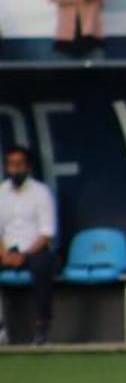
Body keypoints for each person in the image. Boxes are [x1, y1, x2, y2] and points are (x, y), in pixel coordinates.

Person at [0, 146, 58, 346]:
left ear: (28, 167)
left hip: (35, 250)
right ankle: (1, 329)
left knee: (42, 267)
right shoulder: (1, 192)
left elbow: (47, 232)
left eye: (19, 165)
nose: (15, 170)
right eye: (11, 165)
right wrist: (4, 253)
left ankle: (42, 329)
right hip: (6, 251)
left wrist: (24, 256)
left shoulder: (41, 192)